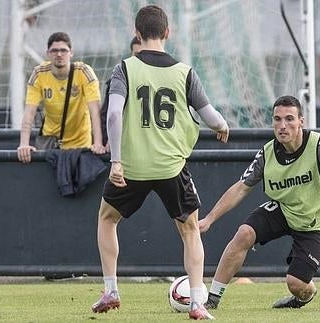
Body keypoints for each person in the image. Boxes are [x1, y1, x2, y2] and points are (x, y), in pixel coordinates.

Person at [91, 5, 229, 320]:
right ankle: (196, 302)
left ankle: (111, 289)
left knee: (107, 219)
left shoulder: (124, 68)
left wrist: (116, 160)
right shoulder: (184, 72)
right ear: (168, 33)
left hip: (133, 166)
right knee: (190, 230)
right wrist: (222, 128)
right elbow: (211, 117)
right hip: (170, 166)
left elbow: (113, 113)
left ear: (137, 34)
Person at [199, 95, 320, 310]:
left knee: (296, 284)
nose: (282, 125)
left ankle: (305, 294)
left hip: (316, 222)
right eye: (277, 119)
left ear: (301, 121)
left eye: (289, 119)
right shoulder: (267, 153)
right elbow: (241, 188)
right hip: (283, 210)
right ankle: (212, 299)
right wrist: (209, 219)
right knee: (244, 233)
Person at [17, 32, 106, 163]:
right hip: (50, 143)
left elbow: (95, 111)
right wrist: (24, 144)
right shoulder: (39, 74)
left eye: (63, 50)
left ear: (71, 53)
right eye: (54, 51)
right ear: (48, 53)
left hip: (80, 144)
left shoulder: (84, 72)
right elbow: (29, 113)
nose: (59, 54)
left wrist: (98, 142)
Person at [100, 36, 142, 149]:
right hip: (123, 146)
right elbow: (107, 114)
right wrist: (109, 139)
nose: (139, 59)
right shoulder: (117, 82)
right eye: (136, 54)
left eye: (143, 55)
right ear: (131, 54)